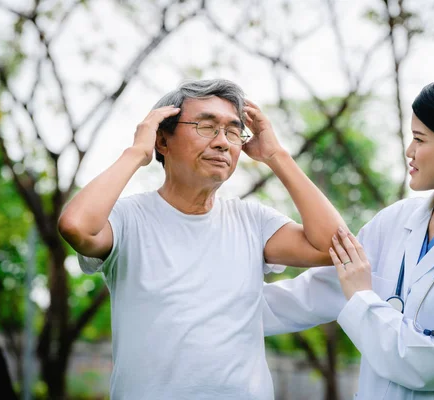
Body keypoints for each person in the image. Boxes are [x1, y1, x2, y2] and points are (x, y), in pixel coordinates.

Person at [57, 79, 345, 399]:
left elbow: (336, 247)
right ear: (163, 141)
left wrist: (276, 155)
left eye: (233, 131)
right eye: (207, 127)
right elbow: (76, 226)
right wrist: (137, 151)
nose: (223, 142)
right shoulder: (128, 219)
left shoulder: (252, 221)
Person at [262, 76, 434, 399]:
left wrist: (363, 299)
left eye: (420, 140)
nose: (410, 151)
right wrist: (215, 303)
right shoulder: (393, 223)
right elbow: (312, 293)